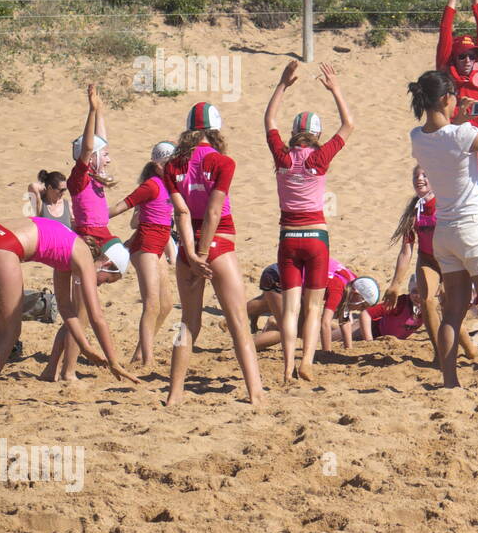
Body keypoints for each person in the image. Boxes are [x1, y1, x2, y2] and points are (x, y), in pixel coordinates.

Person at [407, 70, 478, 389]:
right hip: (475, 227)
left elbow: (439, 133)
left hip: (444, 231)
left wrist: (454, 115)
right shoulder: (462, 134)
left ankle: (450, 381)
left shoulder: (416, 137)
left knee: (452, 313)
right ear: (447, 98)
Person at [163, 102, 265, 406]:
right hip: (217, 243)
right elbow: (214, 211)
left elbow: (182, 212)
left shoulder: (173, 166)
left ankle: (174, 393)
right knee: (237, 322)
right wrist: (205, 253)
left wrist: (191, 254)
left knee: (187, 323)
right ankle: (255, 392)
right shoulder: (222, 162)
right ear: (215, 130)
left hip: (186, 246)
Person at [0, 217, 138, 404]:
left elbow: (65, 307)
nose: (101, 285)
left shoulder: (69, 248)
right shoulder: (85, 259)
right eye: (106, 280)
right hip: (4, 245)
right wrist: (113, 362)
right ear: (107, 264)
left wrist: (86, 347)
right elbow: (97, 317)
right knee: (9, 333)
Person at [264, 60, 354, 383]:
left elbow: (269, 119)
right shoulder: (319, 158)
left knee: (290, 309)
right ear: (316, 134)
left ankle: (287, 367)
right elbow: (348, 125)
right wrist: (336, 90)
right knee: (314, 307)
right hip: (317, 237)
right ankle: (308, 362)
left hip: (288, 237)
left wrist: (283, 83)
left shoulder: (283, 157)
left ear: (293, 134)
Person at [43, 85, 127, 381]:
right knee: (76, 314)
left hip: (96, 243)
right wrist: (90, 111)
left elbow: (99, 143)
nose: (108, 158)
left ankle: (52, 369)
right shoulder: (79, 179)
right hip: (86, 245)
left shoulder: (96, 179)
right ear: (90, 159)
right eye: (105, 155)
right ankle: (66, 372)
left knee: (74, 315)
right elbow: (91, 147)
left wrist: (100, 109)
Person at [107, 141, 178, 366]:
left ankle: (140, 352)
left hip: (159, 244)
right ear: (157, 165)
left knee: (166, 305)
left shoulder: (172, 184)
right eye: (167, 163)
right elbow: (121, 206)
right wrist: (91, 220)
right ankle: (148, 359)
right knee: (152, 304)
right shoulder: (151, 185)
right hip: (145, 244)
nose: (172, 167)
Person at [384, 166, 454, 364]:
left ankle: (470, 350)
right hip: (428, 260)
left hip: (450, 260)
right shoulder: (415, 210)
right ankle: (440, 354)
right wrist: (395, 284)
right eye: (415, 176)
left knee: (450, 310)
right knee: (428, 302)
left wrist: (449, 277)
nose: (419, 179)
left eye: (425, 175)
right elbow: (406, 252)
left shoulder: (445, 205)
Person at [436, 0, 478, 192]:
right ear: (454, 57)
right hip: (453, 138)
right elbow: (445, 30)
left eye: (472, 55)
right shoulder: (446, 70)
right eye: (462, 55)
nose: (468, 59)